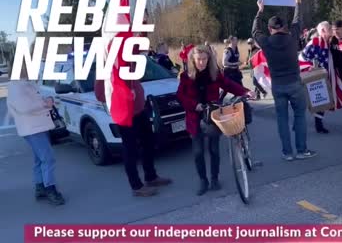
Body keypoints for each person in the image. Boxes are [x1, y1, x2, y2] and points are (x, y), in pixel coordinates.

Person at [176, 45, 254, 195]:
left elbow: (228, 85)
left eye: (204, 59)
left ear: (208, 59)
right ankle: (203, 180)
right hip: (194, 117)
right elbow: (180, 96)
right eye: (198, 59)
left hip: (213, 115)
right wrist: (195, 105)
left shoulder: (214, 73)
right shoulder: (186, 76)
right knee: (198, 152)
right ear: (193, 59)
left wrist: (245, 91)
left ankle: (214, 178)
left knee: (214, 149)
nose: (201, 62)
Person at [252, 0, 316, 161]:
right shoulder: (292, 38)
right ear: (283, 27)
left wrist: (260, 10)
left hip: (278, 86)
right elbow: (298, 21)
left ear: (270, 29)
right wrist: (297, 2)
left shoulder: (265, 42)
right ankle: (302, 150)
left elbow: (254, 31)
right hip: (295, 83)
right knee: (300, 116)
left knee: (281, 119)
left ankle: (287, 153)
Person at [94, 67, 172, 197]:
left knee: (148, 142)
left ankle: (151, 177)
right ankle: (136, 186)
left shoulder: (127, 61)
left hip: (140, 110)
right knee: (130, 149)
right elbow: (100, 94)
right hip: (125, 113)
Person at [7, 64, 65, 205]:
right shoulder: (17, 86)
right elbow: (24, 107)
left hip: (36, 126)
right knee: (48, 158)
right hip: (33, 128)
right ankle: (49, 189)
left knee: (40, 158)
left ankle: (40, 186)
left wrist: (45, 101)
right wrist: (46, 104)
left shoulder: (23, 84)